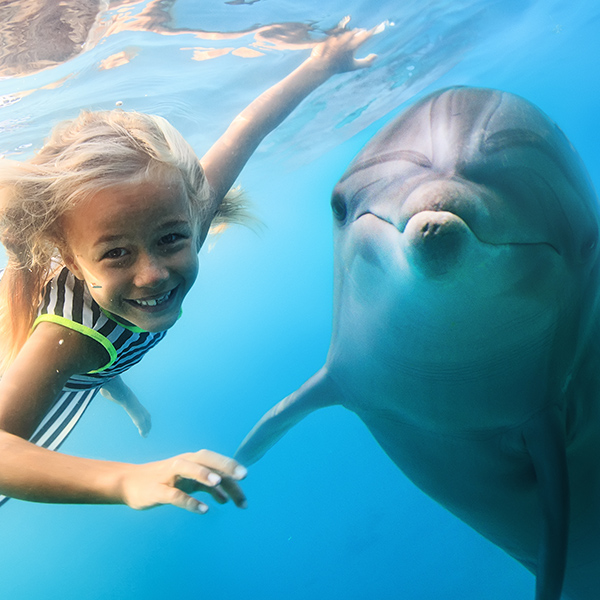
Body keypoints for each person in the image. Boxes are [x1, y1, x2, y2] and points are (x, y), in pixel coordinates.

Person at [0, 24, 378, 514]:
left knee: (100, 352)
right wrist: (125, 481)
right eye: (116, 253)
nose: (154, 273)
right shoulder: (66, 338)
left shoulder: (184, 215)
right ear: (71, 259)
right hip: (54, 368)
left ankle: (115, 388)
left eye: (171, 240)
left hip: (94, 358)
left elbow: (247, 130)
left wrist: (320, 64)